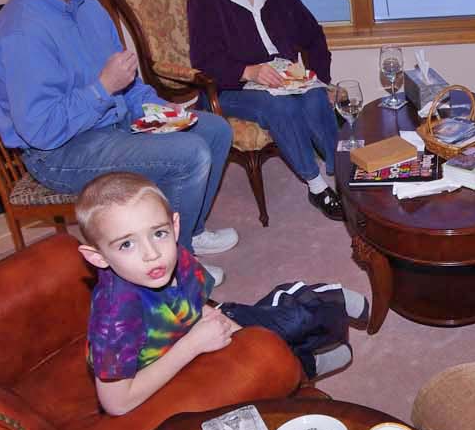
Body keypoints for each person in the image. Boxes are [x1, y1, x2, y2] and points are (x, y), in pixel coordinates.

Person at [0, 0, 238, 280]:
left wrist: (162, 111)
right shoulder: (22, 31)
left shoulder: (87, 8)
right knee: (188, 154)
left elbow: (127, 83)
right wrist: (102, 89)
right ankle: (178, 270)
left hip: (112, 122)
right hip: (60, 150)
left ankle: (189, 233)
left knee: (214, 130)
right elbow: (40, 129)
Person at [77, 174, 366, 415]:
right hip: (174, 370)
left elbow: (198, 303)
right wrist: (192, 345)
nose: (152, 253)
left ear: (174, 226)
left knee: (278, 327)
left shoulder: (173, 256)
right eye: (126, 244)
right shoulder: (115, 318)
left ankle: (320, 321)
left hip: (197, 329)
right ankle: (315, 345)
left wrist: (237, 333)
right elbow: (116, 404)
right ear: (97, 257)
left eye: (158, 233)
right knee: (286, 324)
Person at [187, 0, 344, 222]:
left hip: (281, 79)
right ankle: (316, 186)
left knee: (314, 97)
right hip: (229, 87)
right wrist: (248, 71)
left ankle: (344, 171)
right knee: (281, 106)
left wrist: (320, 80)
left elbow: (313, 33)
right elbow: (204, 60)